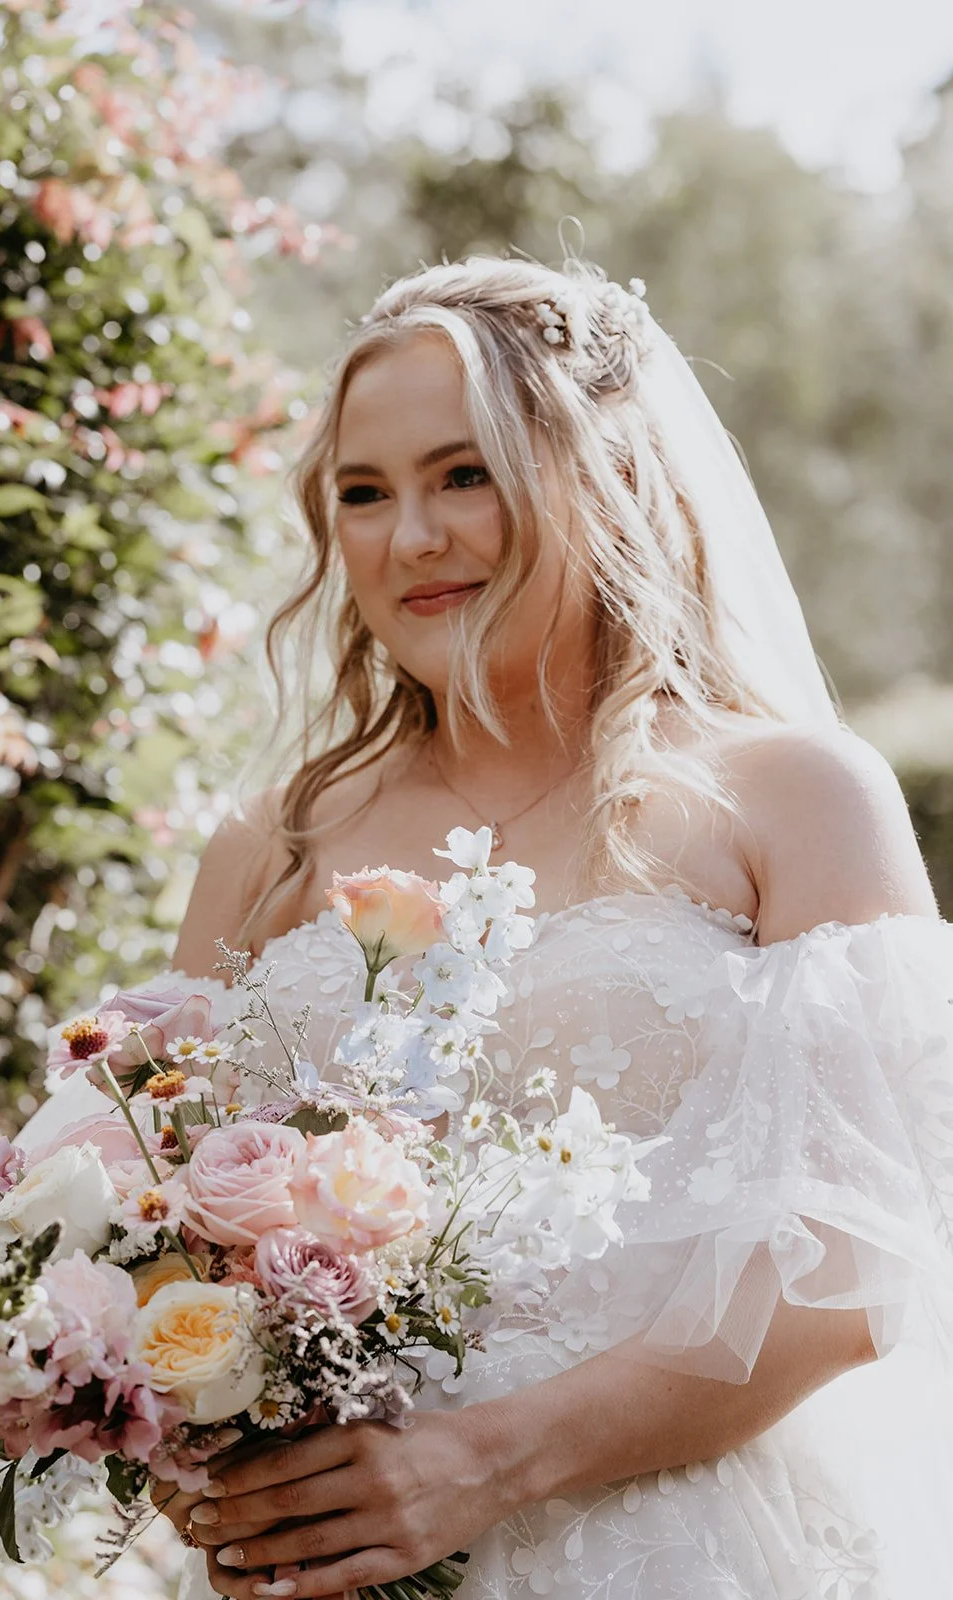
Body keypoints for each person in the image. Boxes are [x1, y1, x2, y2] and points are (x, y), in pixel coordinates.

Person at [159, 252, 953, 1600]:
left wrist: (484, 1464)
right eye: (364, 493)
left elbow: (853, 1270)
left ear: (598, 475)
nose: (409, 538)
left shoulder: (789, 797)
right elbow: (160, 1214)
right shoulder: (268, 845)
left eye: (463, 474)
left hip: (679, 1547)